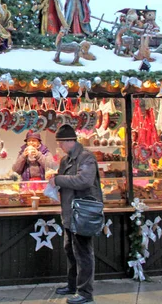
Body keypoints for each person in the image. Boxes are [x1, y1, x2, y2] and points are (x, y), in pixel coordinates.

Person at [47, 124, 102, 304]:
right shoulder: (66, 160)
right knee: (70, 251)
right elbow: (64, 180)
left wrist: (58, 180)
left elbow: (84, 180)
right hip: (69, 214)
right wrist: (54, 181)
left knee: (84, 253)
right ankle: (72, 285)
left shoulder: (86, 158)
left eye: (61, 143)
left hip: (83, 214)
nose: (60, 147)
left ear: (70, 141)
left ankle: (86, 293)